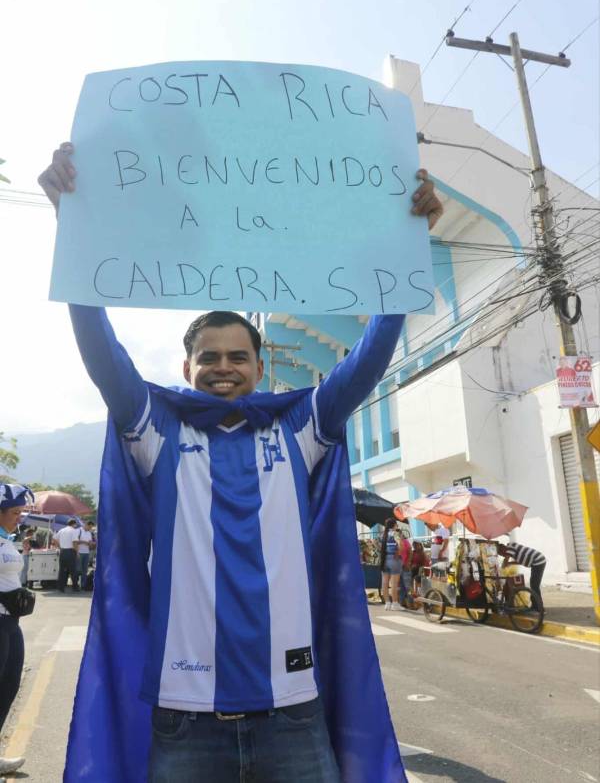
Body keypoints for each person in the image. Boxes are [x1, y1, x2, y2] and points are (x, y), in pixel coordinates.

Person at [39, 142, 443, 783]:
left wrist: (408, 246)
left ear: (260, 367)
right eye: (209, 357)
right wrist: (73, 225)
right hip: (183, 717)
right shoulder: (155, 428)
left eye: (237, 357)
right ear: (187, 367)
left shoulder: (302, 427)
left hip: (293, 714)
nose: (222, 367)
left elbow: (368, 357)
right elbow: (100, 348)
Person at [0, 483, 35, 777]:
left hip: (11, 624)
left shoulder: (8, 540)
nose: (19, 516)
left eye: (21, 511)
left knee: (9, 687)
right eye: (15, 511)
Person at [379, 518, 402, 611]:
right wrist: (398, 553)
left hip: (385, 559)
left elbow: (378, 546)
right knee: (394, 584)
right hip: (394, 559)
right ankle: (395, 604)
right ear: (394, 525)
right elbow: (400, 544)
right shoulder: (396, 533)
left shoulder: (383, 535)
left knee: (384, 583)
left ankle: (387, 603)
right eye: (396, 524)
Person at [53, 519, 80, 592]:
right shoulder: (74, 531)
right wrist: (77, 552)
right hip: (71, 551)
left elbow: (54, 539)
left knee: (62, 570)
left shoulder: (62, 530)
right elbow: (74, 542)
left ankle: (61, 587)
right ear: (74, 524)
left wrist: (60, 546)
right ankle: (75, 587)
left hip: (63, 551)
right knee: (73, 570)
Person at [75, 521, 96, 590]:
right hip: (79, 552)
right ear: (86, 525)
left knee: (85, 570)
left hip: (86, 553)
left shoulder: (89, 533)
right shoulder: (78, 530)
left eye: (91, 527)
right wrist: (84, 542)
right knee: (78, 570)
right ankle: (76, 584)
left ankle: (83, 585)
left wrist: (92, 543)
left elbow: (90, 542)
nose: (90, 528)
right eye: (89, 527)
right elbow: (75, 541)